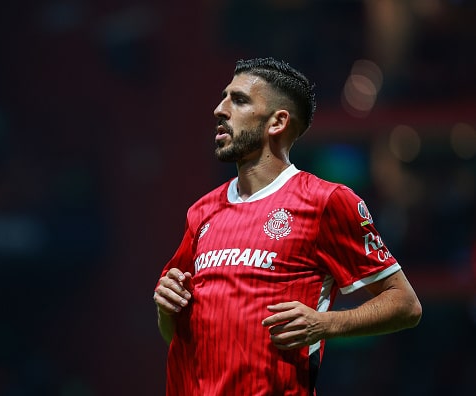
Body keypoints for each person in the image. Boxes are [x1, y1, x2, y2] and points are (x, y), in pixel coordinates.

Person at [153, 57, 422, 396]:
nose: (219, 110)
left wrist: (324, 324)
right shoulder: (201, 212)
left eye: (238, 100)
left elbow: (405, 304)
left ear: (277, 122)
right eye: (224, 97)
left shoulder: (326, 202)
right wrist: (166, 310)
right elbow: (175, 335)